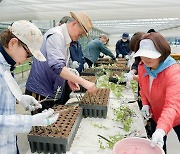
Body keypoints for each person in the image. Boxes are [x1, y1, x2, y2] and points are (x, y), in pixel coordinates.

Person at [0, 20, 59, 154]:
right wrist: (30, 121)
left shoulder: (6, 66)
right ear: (13, 43)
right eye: (29, 54)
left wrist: (18, 98)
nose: (29, 59)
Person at [25, 11, 96, 111]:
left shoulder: (65, 40)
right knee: (41, 125)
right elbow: (57, 66)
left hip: (49, 90)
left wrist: (69, 79)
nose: (80, 37)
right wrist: (84, 82)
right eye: (80, 34)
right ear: (74, 24)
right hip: (40, 92)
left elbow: (61, 65)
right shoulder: (56, 35)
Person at [133, 32, 180, 153]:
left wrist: (161, 129)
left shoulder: (173, 72)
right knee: (158, 147)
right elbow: (143, 88)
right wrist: (145, 104)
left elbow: (173, 105)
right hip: (156, 116)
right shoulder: (142, 66)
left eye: (151, 55)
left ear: (162, 53)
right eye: (143, 55)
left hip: (176, 115)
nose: (146, 59)